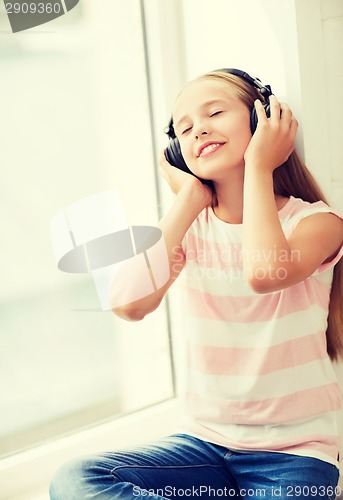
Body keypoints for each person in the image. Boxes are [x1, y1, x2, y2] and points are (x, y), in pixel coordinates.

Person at [49, 69, 343, 499]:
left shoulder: (317, 222)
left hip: (295, 456)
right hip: (203, 447)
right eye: (184, 128)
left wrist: (260, 164)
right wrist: (188, 199)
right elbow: (128, 305)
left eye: (215, 112)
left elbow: (265, 273)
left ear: (263, 121)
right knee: (75, 480)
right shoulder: (192, 226)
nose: (198, 128)